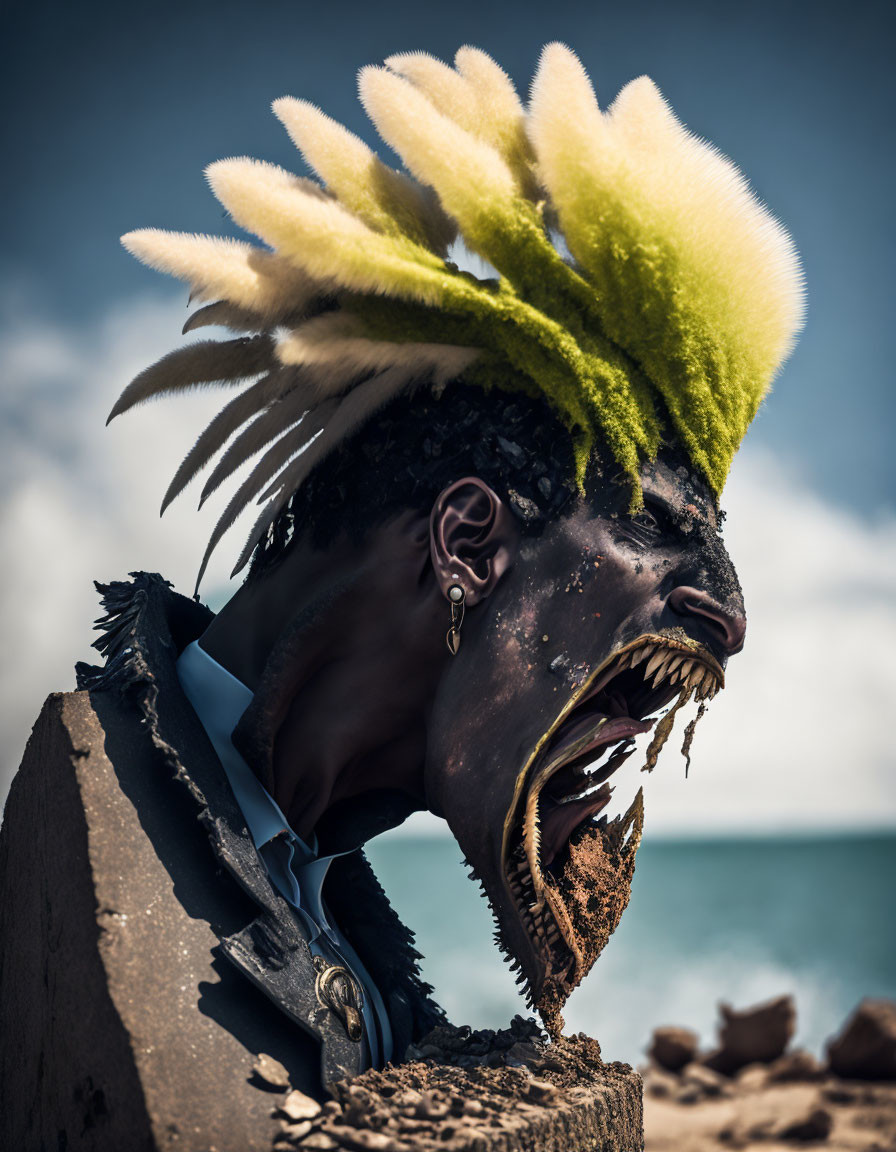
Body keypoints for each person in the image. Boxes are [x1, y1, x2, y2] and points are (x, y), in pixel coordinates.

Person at [0, 43, 803, 1148]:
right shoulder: (88, 857)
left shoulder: (326, 895)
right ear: (467, 540)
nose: (728, 613)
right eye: (660, 530)